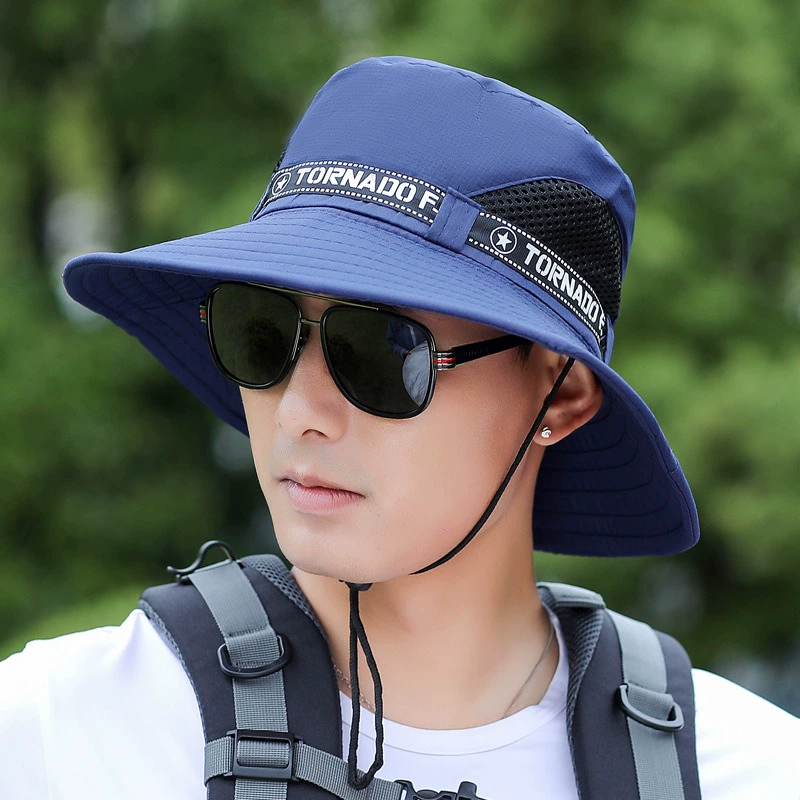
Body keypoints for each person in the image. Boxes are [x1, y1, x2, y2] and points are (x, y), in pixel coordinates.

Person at [1, 55, 798, 799]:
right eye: (260, 332)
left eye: (381, 352)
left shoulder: (748, 773)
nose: (300, 413)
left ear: (560, 395)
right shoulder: (64, 736)